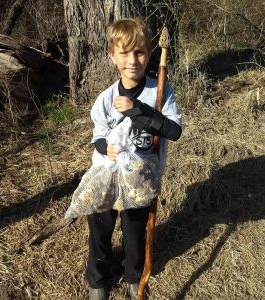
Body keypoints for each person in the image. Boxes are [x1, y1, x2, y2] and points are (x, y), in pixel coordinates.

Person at [87, 17, 182, 300]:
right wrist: (106, 148)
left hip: (141, 176)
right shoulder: (105, 98)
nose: (133, 60)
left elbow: (174, 131)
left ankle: (133, 275)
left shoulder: (160, 91)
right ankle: (97, 281)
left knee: (134, 230)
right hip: (107, 175)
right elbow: (98, 135)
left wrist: (138, 109)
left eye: (139, 52)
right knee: (100, 229)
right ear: (112, 56)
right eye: (124, 53)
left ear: (149, 54)